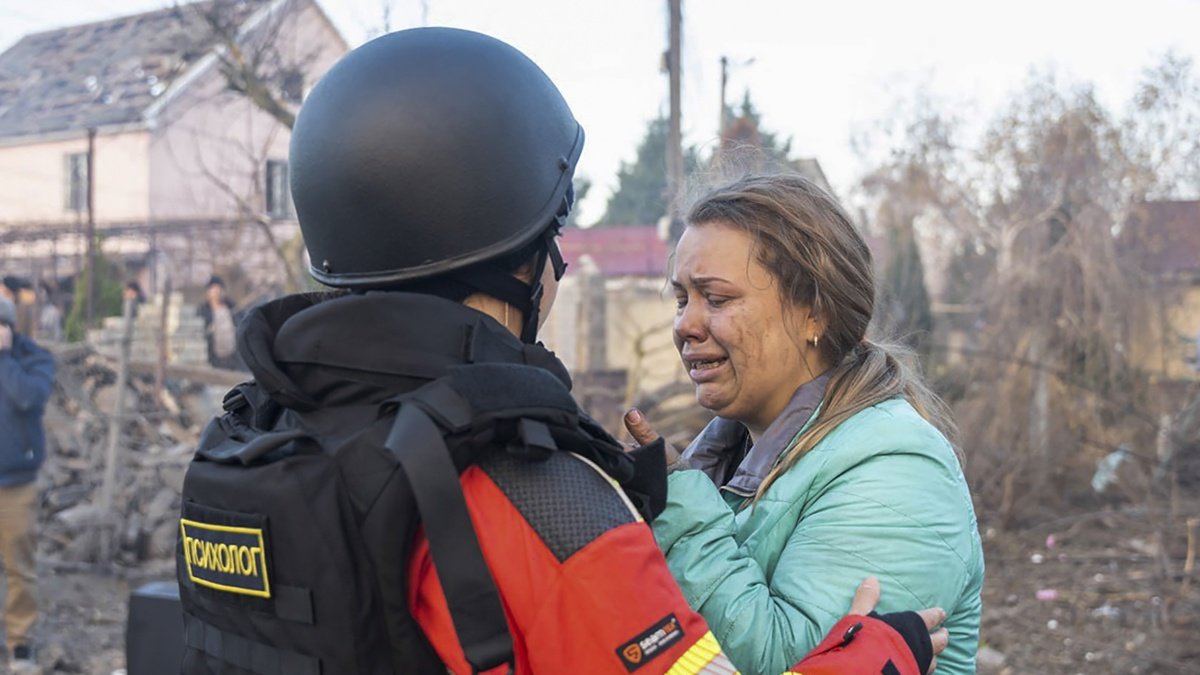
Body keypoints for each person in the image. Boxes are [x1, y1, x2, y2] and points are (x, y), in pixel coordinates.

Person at [177, 28, 947, 675]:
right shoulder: (540, 499)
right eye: (553, 242)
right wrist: (880, 652)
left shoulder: (250, 450)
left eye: (716, 297)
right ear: (520, 262)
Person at [625, 173, 985, 674]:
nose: (685, 324)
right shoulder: (727, 461)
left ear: (814, 313)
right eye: (683, 298)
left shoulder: (897, 470)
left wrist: (678, 514)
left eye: (717, 298)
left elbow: (790, 663)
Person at [0, 297, 55, 672]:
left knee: (20, 566)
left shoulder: (34, 359)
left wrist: (4, 358)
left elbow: (28, 398)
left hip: (16, 483)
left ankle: (20, 642)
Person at [195, 275, 238, 370]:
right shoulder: (203, 311)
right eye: (213, 289)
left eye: (219, 289)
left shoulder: (231, 308)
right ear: (208, 292)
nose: (216, 293)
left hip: (232, 358)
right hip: (212, 358)